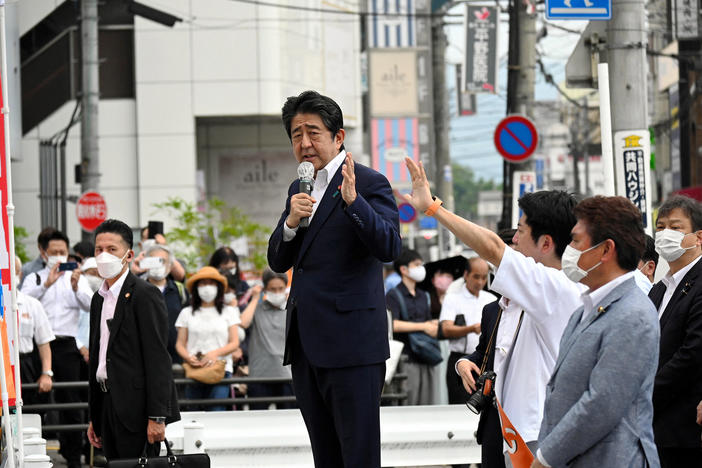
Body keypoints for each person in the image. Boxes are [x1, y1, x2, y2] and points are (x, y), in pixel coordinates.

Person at [402, 158, 582, 467]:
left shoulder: (556, 286)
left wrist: (433, 208)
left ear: (546, 242)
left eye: (521, 232)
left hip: (537, 433)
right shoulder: (522, 297)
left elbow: (493, 249)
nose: (513, 240)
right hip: (514, 431)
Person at [267, 90, 401, 468]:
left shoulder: (370, 181)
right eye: (296, 134)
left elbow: (390, 246)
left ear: (338, 137)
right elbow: (278, 260)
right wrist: (291, 222)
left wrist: (353, 202)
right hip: (306, 345)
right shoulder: (299, 188)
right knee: (325, 456)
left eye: (313, 132)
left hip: (352, 345)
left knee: (357, 455)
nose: (304, 143)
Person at [532, 196, 660, 468]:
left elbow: (602, 403)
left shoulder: (633, 314)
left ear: (606, 250)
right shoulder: (586, 308)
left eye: (576, 241)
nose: (570, 249)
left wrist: (546, 456)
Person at [86, 219, 180, 460]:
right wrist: (95, 416)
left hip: (137, 410)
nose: (104, 255)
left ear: (129, 255)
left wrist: (157, 416)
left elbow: (158, 357)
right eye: (99, 250)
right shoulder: (99, 298)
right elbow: (99, 355)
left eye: (111, 249)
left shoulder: (145, 294)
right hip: (106, 404)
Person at [20, 229, 93, 468]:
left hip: (66, 344)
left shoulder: (78, 278)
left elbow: (90, 305)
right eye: (54, 252)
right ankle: (33, 451)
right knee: (35, 399)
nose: (59, 256)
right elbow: (22, 301)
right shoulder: (35, 278)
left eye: (63, 252)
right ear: (43, 252)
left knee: (70, 400)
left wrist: (75, 286)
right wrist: (47, 284)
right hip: (38, 345)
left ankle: (74, 457)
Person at [648, 195, 702, 467]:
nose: (666, 234)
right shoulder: (659, 288)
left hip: (686, 429)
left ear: (698, 237)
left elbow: (693, 353)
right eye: (660, 227)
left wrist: (645, 392)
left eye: (676, 227)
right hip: (655, 429)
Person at [176, 266, 241, 411]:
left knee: (217, 411)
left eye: (211, 283)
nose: (207, 288)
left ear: (218, 287)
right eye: (202, 283)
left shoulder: (229, 312)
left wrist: (215, 353)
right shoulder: (186, 313)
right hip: (195, 370)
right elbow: (180, 344)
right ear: (196, 287)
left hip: (221, 370)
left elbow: (234, 342)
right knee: (193, 413)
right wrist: (188, 357)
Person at [386, 249, 441, 405]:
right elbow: (393, 325)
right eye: (416, 265)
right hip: (407, 358)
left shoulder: (424, 295)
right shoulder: (393, 295)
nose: (421, 268)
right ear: (403, 269)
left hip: (427, 356)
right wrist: (423, 326)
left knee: (428, 403)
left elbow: (428, 321)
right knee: (409, 403)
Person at [440, 257, 496, 404]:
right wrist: (470, 329)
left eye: (484, 278)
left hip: (484, 362)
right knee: (458, 405)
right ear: (466, 275)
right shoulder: (453, 299)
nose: (480, 282)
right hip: (459, 359)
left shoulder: (490, 299)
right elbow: (445, 329)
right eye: (476, 277)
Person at [239, 268, 295, 410]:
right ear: (265, 289)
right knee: (258, 423)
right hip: (259, 376)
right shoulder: (256, 310)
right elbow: (243, 322)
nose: (277, 293)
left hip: (287, 376)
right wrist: (254, 298)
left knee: (288, 421)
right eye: (272, 289)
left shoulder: (291, 311)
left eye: (280, 288)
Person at [15, 256, 55, 413]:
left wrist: (46, 373)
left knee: (29, 413)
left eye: (14, 271)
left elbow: (44, 342)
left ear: (19, 274)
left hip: (26, 365)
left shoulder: (32, 304)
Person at [143, 244, 188, 364]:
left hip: (176, 358)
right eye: (154, 261)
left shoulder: (180, 291)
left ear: (170, 265)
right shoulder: (137, 290)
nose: (158, 265)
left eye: (162, 261)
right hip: (145, 358)